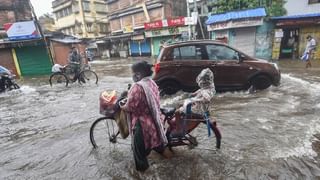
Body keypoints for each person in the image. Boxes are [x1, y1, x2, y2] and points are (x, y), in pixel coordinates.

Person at [120, 61, 171, 172]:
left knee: (139, 156)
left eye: (133, 73)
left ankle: (144, 175)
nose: (132, 76)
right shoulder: (152, 83)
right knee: (160, 147)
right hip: (155, 123)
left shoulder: (137, 87)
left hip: (142, 127)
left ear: (138, 74)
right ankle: (174, 164)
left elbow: (130, 107)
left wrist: (122, 106)